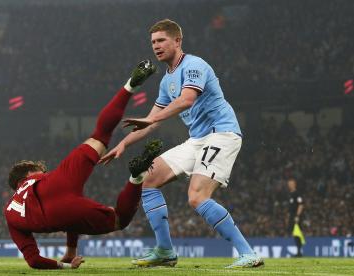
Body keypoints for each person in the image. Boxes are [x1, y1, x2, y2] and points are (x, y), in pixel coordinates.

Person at [101, 19, 263, 268]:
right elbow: (150, 122)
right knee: (148, 180)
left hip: (221, 133)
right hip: (198, 139)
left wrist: (151, 119)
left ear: (177, 41)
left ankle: (248, 253)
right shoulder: (167, 81)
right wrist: (123, 144)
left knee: (196, 196)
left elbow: (187, 100)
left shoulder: (194, 65)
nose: (156, 46)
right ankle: (165, 251)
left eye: (162, 40)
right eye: (153, 42)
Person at [4, 60, 161, 269]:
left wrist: (68, 263)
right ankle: (130, 86)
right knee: (100, 136)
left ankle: (137, 176)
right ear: (31, 173)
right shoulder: (39, 177)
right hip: (58, 181)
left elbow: (34, 261)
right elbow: (66, 208)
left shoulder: (10, 212)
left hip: (53, 214)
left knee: (120, 220)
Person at [287, 178, 305, 257]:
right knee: (294, 233)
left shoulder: (297, 194)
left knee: (297, 233)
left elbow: (301, 205)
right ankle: (298, 252)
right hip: (291, 216)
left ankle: (299, 252)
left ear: (294, 184)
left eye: (291, 183)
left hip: (296, 217)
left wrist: (297, 216)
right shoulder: (290, 194)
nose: (289, 185)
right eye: (288, 183)